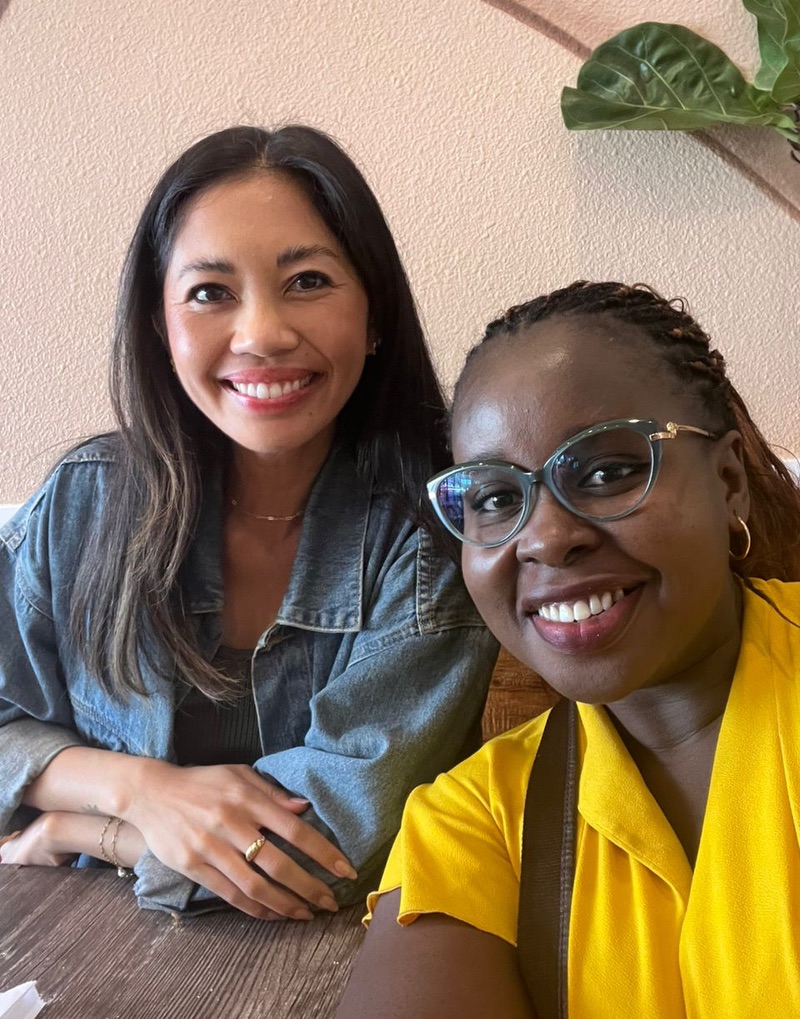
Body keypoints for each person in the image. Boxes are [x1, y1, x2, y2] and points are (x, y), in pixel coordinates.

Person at [0, 125, 498, 921]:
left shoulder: (429, 533)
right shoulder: (83, 505)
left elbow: (330, 851)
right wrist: (139, 788)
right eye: (210, 292)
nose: (262, 333)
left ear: (375, 319)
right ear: (160, 329)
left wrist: (92, 831)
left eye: (307, 280)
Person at [337, 280, 800, 1017]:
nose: (546, 536)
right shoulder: (474, 820)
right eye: (492, 497)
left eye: (609, 471)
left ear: (729, 480)